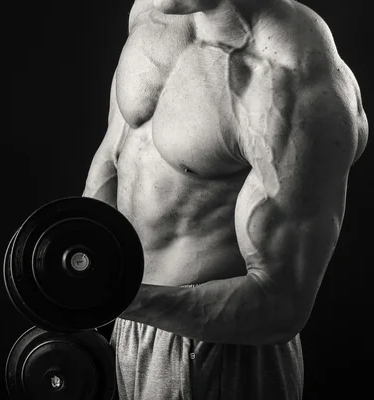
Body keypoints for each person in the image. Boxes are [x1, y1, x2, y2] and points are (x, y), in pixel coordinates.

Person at [81, 0, 369, 398]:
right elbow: (115, 150)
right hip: (131, 326)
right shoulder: (153, 12)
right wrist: (74, 273)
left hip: (220, 351)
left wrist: (103, 299)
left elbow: (280, 303)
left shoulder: (293, 82)